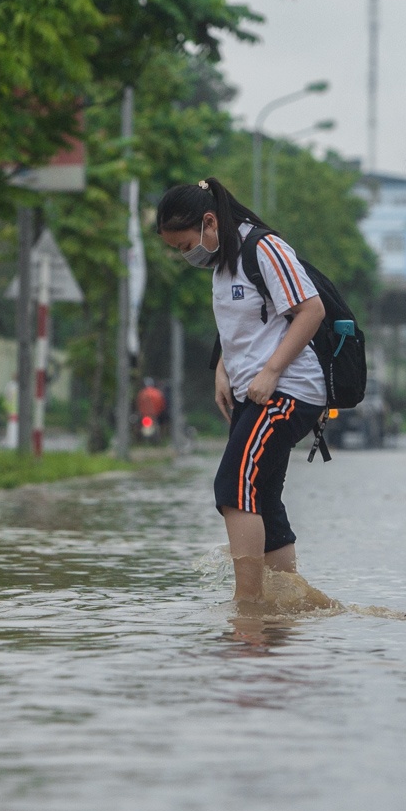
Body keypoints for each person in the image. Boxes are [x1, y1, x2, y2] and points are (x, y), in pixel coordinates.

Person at [155, 177, 328, 604]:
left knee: (234, 486)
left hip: (289, 390)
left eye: (183, 246)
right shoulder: (223, 263)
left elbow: (312, 310)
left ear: (209, 221)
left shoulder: (263, 249)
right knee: (262, 496)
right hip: (256, 394)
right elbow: (243, 327)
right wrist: (222, 370)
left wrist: (270, 372)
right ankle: (291, 603)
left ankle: (247, 610)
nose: (185, 256)